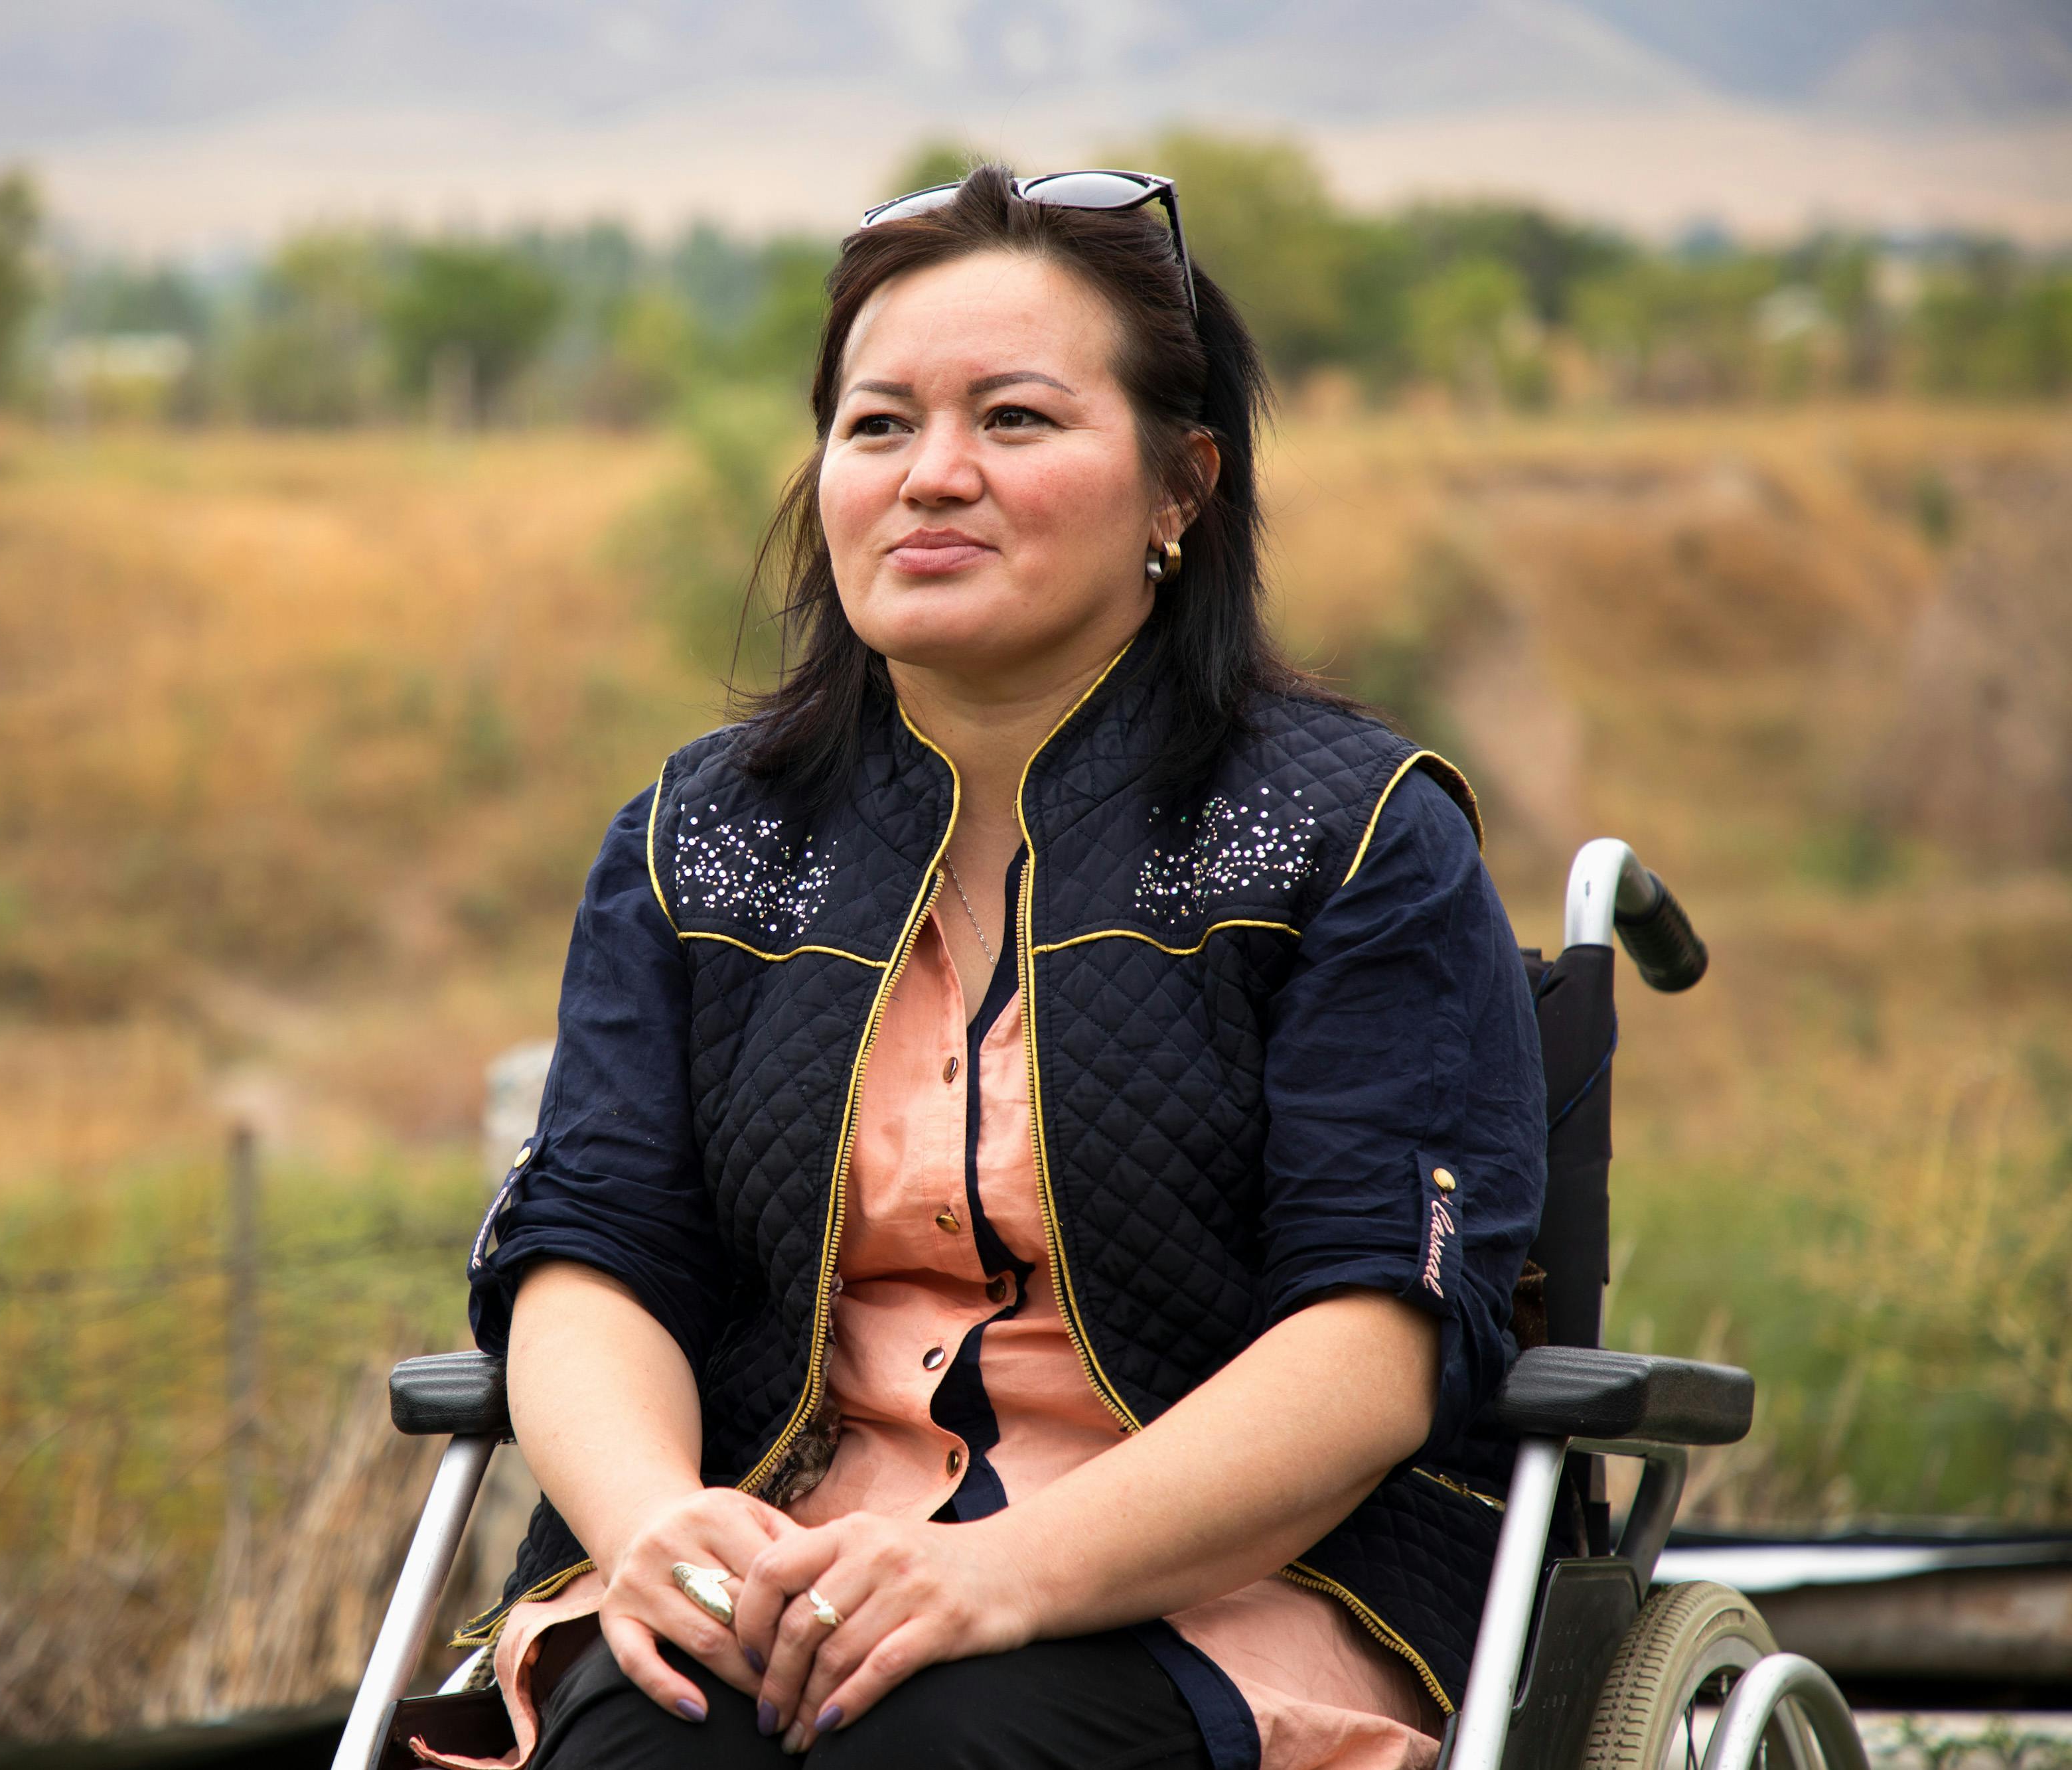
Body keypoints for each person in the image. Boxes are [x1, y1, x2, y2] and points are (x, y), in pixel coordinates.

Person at [442, 164, 1546, 1770]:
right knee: (661, 1738)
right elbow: (593, 1245)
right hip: (783, 1565)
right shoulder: (696, 838)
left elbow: (1374, 1335)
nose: (929, 476)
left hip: (1214, 1585)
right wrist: (660, 1532)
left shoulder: (1348, 831)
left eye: (1013, 421)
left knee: (940, 1734)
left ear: (1181, 487)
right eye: (876, 425)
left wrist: (999, 1571)